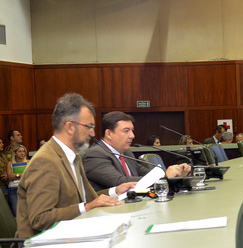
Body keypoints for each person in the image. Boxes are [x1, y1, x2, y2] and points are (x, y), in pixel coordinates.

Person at [15, 93, 137, 240]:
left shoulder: (73, 157)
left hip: (72, 237)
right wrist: (87, 207)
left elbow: (87, 199)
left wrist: (115, 191)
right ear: (70, 127)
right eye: (89, 127)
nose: (92, 133)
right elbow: (40, 219)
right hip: (46, 245)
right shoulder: (45, 161)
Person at [84, 111, 191, 191]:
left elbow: (147, 175)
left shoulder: (126, 153)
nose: (132, 136)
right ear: (109, 134)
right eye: (126, 131)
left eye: (132, 131)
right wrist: (164, 177)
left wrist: (176, 175)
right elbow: (119, 182)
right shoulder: (95, 155)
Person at [6, 144, 29, 215]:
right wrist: (21, 175)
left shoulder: (28, 162)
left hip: (26, 188)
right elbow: (9, 177)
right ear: (15, 153)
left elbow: (30, 175)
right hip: (13, 188)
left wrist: (15, 175)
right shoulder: (10, 163)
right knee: (16, 211)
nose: (22, 153)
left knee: (27, 212)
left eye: (23, 151)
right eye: (20, 151)